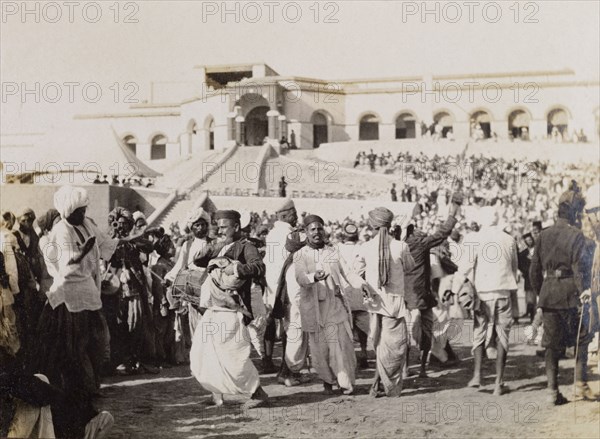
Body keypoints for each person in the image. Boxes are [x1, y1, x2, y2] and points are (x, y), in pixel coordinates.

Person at [190, 209, 268, 407]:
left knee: (233, 355)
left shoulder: (246, 246)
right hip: (212, 309)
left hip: (232, 309)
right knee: (206, 351)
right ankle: (217, 395)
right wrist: (214, 246)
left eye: (224, 227)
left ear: (236, 227)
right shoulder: (219, 246)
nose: (220, 230)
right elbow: (198, 261)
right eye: (218, 227)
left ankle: (257, 393)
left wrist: (235, 268)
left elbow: (258, 267)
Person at [529, 183, 595, 406]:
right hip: (569, 294)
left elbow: (533, 271)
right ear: (576, 214)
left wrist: (543, 292)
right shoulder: (576, 236)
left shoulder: (543, 235)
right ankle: (580, 384)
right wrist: (583, 291)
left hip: (548, 294)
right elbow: (578, 268)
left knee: (550, 344)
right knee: (582, 337)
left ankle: (551, 390)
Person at [452, 206, 518, 396]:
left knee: (479, 331)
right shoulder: (509, 239)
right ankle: (499, 382)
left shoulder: (474, 238)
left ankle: (477, 375)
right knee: (503, 335)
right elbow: (514, 269)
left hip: (482, 293)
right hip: (504, 291)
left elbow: (464, 267)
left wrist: (454, 289)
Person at [295, 214, 364, 395]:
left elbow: (348, 273)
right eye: (312, 229)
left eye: (319, 228)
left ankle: (345, 383)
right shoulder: (300, 255)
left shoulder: (333, 251)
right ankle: (328, 381)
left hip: (334, 306)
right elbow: (300, 277)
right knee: (319, 349)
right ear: (306, 232)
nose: (317, 232)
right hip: (313, 308)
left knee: (341, 344)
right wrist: (313, 277)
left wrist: (363, 285)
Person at [355, 208, 415, 397]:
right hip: (394, 306)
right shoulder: (400, 246)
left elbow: (357, 273)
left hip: (374, 304)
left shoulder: (365, 247)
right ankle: (388, 385)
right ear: (390, 225)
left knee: (380, 344)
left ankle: (377, 383)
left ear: (372, 225)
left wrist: (367, 286)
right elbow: (410, 266)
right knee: (394, 348)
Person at [404, 192, 462, 378]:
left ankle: (406, 369)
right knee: (426, 333)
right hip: (420, 297)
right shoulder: (418, 243)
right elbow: (442, 233)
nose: (420, 231)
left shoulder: (399, 244)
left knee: (407, 334)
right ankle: (421, 368)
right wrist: (453, 213)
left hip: (406, 297)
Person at [264, 199, 307, 383]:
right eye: (293, 213)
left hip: (275, 290)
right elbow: (291, 264)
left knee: (288, 331)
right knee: (294, 330)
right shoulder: (288, 235)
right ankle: (287, 372)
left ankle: (289, 371)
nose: (296, 216)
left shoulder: (272, 234)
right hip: (288, 289)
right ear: (284, 215)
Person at [338, 222, 370, 369]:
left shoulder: (337, 249)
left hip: (344, 292)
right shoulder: (363, 248)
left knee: (347, 328)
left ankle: (351, 356)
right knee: (363, 326)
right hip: (360, 290)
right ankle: (363, 352)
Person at [518, 232, 536, 322]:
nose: (529, 241)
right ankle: (531, 315)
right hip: (528, 278)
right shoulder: (523, 254)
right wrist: (524, 272)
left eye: (530, 239)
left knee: (536, 298)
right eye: (527, 240)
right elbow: (519, 265)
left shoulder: (538, 251)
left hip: (537, 277)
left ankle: (535, 316)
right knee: (530, 298)